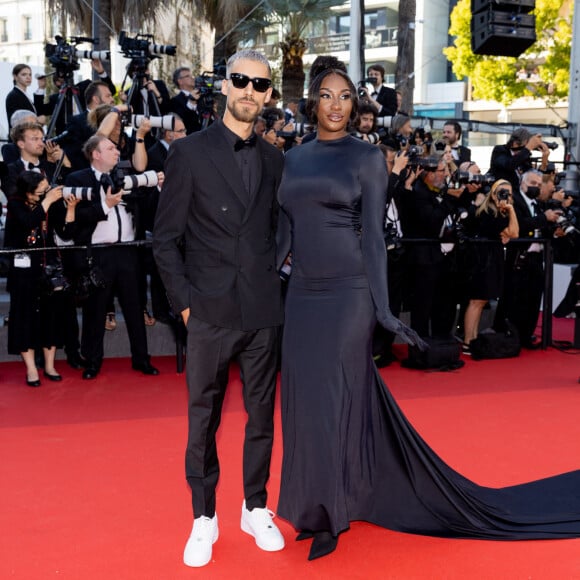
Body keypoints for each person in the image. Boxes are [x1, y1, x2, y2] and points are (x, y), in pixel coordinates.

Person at [275, 65, 580, 562]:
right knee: (305, 403)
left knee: (335, 400)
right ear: (313, 102)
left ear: (355, 105)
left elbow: (374, 237)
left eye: (346, 96)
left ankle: (333, 511)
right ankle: (310, 506)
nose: (336, 105)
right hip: (303, 297)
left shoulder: (367, 157)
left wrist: (383, 308)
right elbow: (286, 230)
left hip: (349, 294)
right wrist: (261, 282)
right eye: (327, 96)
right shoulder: (293, 159)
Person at [153, 49, 286, 569]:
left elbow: (279, 229)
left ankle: (255, 507)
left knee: (261, 418)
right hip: (207, 311)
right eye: (241, 81)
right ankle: (203, 516)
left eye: (260, 84)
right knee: (203, 420)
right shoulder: (188, 154)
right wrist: (185, 308)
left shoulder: (276, 159)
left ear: (269, 94)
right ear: (224, 86)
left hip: (261, 310)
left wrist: (272, 274)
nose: (250, 91)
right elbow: (165, 241)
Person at [64, 135, 159, 380]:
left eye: (116, 149)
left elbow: (146, 207)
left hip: (128, 251)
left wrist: (154, 184)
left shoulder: (126, 177)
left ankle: (142, 359)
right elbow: (79, 217)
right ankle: (92, 361)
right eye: (110, 148)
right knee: (95, 311)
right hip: (98, 254)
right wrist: (105, 204)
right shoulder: (77, 180)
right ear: (96, 154)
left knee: (135, 309)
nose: (116, 152)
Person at [3, 171, 69, 386]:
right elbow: (27, 222)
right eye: (40, 189)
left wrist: (71, 208)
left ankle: (50, 365)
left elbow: (65, 230)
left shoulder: (49, 203)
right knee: (24, 319)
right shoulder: (15, 204)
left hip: (47, 268)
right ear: (27, 190)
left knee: (51, 317)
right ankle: (31, 369)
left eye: (45, 187)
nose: (44, 191)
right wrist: (48, 201)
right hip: (23, 273)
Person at [462, 179, 519, 352]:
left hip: (488, 259)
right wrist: (511, 210)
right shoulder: (489, 212)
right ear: (492, 194)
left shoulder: (497, 213)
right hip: (482, 261)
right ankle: (468, 340)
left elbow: (510, 233)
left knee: (480, 301)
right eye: (501, 192)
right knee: (476, 301)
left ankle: (472, 339)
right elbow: (514, 232)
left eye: (508, 193)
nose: (505, 196)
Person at [5, 64, 47, 130]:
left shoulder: (23, 94)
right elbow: (17, 122)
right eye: (24, 74)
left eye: (30, 74)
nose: (28, 77)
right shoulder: (13, 96)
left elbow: (37, 112)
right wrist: (37, 120)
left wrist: (41, 88)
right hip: (20, 138)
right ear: (15, 76)